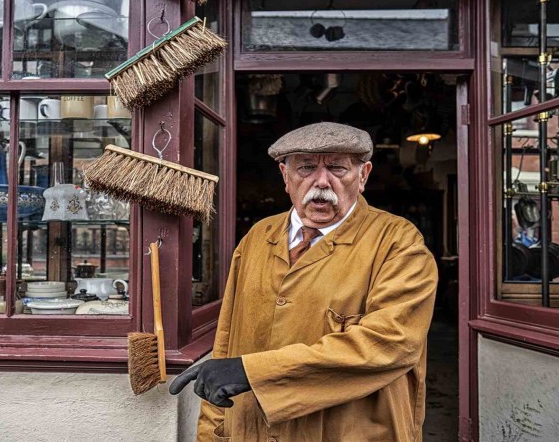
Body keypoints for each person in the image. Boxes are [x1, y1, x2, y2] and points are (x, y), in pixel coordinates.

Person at [169, 122, 438, 441]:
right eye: (306, 167)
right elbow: (228, 341)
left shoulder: (398, 244)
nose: (321, 181)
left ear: (363, 175)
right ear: (285, 176)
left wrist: (252, 372)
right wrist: (211, 435)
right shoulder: (258, 238)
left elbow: (391, 342)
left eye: (338, 168)